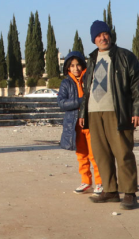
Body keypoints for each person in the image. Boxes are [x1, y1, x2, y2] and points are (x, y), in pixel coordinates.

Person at [78, 21, 139, 210]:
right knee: (101, 154)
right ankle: (110, 190)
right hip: (94, 113)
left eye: (105, 34)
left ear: (110, 35)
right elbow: (86, 89)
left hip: (118, 112)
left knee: (123, 152)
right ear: (94, 39)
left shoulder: (125, 57)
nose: (102, 38)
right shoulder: (91, 59)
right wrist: (83, 112)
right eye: (98, 35)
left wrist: (138, 110)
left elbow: (137, 85)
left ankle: (130, 193)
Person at [57, 51, 103, 195]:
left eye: (78, 65)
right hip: (74, 126)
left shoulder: (90, 80)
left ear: (83, 65)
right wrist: (80, 101)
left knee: (95, 155)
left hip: (90, 123)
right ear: (68, 68)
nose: (76, 68)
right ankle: (86, 181)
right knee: (81, 155)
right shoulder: (65, 83)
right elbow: (61, 103)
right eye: (72, 66)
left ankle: (100, 182)